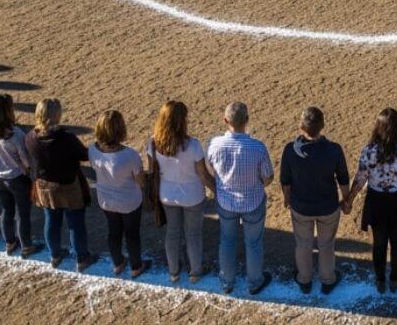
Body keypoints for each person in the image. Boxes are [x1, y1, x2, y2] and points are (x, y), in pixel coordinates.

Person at [344, 107, 397, 294]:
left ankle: (380, 279)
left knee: (379, 243)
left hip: (377, 201)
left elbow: (360, 179)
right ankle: (394, 278)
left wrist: (349, 200)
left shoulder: (369, 151)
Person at [205, 101, 274, 295]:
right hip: (253, 201)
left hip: (226, 201)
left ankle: (227, 281)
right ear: (247, 120)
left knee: (227, 240)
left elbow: (210, 172)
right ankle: (254, 281)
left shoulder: (214, 145)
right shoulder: (258, 147)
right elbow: (268, 177)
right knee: (253, 243)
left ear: (225, 120)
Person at [279, 106, 350, 295]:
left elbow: (285, 181)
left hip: (301, 207)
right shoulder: (334, 149)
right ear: (323, 126)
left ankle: (304, 279)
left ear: (301, 126)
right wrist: (346, 200)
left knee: (303, 244)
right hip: (328, 207)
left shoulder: (290, 150)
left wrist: (287, 200)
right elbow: (343, 178)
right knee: (327, 244)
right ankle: (328, 279)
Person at [144, 100, 211, 284]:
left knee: (172, 233)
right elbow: (204, 176)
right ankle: (195, 271)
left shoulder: (152, 144)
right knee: (193, 235)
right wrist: (219, 191)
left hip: (167, 194)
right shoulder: (194, 145)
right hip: (193, 196)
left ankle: (173, 271)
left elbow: (151, 172)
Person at [25, 98, 95, 270]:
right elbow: (84, 155)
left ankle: (55, 255)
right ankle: (82, 257)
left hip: (44, 187)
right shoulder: (67, 138)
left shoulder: (30, 138)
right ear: (56, 115)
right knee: (75, 224)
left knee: (51, 221)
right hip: (69, 186)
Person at [89, 109, 149, 277]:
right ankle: (136, 265)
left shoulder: (92, 150)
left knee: (113, 232)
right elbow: (141, 181)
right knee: (132, 235)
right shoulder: (130, 155)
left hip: (106, 201)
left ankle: (117, 263)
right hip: (129, 202)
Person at [0, 93, 38, 256]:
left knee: (7, 209)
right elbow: (25, 160)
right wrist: (31, 173)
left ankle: (9, 242)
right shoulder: (15, 134)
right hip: (16, 178)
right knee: (22, 213)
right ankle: (26, 246)